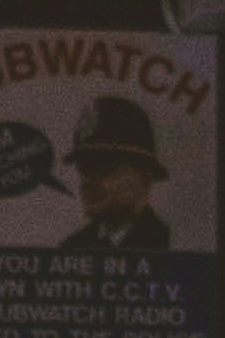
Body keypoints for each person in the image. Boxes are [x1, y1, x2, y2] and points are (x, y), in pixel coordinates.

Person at [61, 95, 171, 251]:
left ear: (145, 177)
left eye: (104, 169)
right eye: (83, 170)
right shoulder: (71, 249)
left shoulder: (171, 244)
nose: (87, 182)